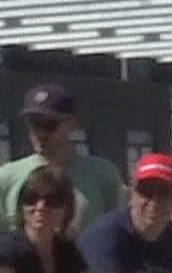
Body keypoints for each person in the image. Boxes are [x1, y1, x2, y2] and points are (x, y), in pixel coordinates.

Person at [0, 84, 125, 235]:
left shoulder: (103, 174)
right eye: (34, 124)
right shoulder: (7, 177)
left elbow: (118, 231)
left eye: (49, 125)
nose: (40, 133)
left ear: (73, 123)